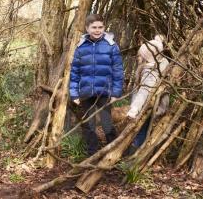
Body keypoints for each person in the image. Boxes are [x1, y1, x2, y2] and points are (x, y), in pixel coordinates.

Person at [69, 14, 124, 156]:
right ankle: (92, 154)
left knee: (107, 125)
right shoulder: (80, 47)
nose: (97, 30)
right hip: (86, 92)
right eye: (94, 27)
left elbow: (118, 71)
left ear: (104, 28)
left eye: (100, 27)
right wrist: (74, 93)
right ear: (87, 28)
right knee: (89, 125)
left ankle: (113, 153)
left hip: (104, 93)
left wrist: (116, 92)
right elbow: (75, 72)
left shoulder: (111, 46)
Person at [127, 35, 169, 148]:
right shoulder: (162, 63)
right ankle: (134, 148)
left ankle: (134, 151)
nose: (138, 57)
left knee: (142, 128)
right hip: (150, 105)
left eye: (141, 55)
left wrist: (134, 108)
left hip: (148, 106)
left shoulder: (151, 70)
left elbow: (144, 91)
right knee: (141, 128)